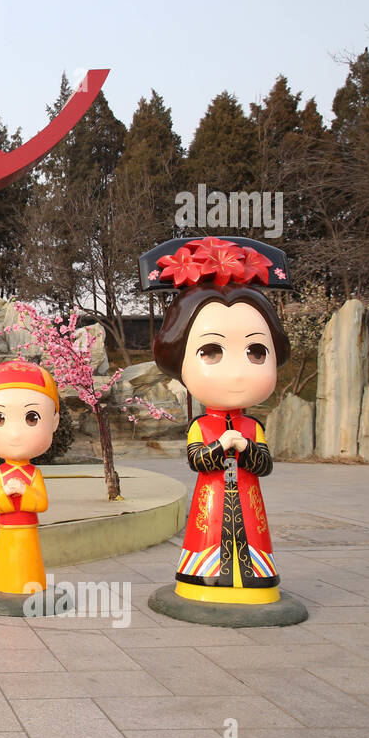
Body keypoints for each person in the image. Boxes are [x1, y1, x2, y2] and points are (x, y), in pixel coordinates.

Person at [140, 235, 303, 623]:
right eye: (211, 352)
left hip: (247, 499)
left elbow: (264, 464)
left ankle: (257, 580)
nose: (236, 370)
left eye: (256, 352)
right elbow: (197, 460)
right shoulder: (202, 425)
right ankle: (202, 578)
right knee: (207, 537)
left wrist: (246, 448)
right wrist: (220, 448)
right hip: (210, 502)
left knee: (253, 539)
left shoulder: (252, 425)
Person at [0, 359, 66, 616]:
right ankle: (4, 584)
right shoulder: (1, 473)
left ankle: (29, 586)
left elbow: (41, 503)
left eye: (31, 418)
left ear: (54, 421)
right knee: (7, 563)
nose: (15, 434)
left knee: (29, 562)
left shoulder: (33, 473)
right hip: (8, 527)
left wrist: (25, 492)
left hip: (28, 526)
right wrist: (5, 493)